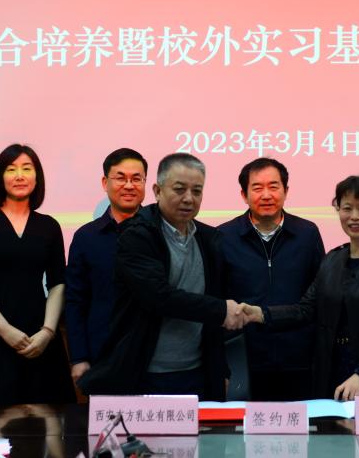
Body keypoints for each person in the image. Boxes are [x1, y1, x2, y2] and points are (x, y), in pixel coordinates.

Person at [79, 153, 248, 400]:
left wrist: (219, 369)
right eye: (179, 189)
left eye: (197, 191)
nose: (188, 198)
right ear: (157, 191)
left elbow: (214, 302)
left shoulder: (210, 239)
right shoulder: (136, 235)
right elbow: (159, 297)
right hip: (145, 373)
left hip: (197, 372)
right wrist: (222, 310)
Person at [243, 175, 359, 400]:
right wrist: (260, 314)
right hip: (333, 371)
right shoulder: (332, 260)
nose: (354, 216)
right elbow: (305, 310)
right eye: (347, 208)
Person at [0, 144, 75, 406]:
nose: (19, 175)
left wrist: (48, 331)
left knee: (46, 416)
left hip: (38, 333)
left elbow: (58, 283)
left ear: (37, 177)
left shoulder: (49, 226)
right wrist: (4, 330)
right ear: (0, 177)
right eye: (11, 169)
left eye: (27, 169)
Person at [217, 157, 324, 400]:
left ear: (286, 191)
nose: (266, 195)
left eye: (274, 187)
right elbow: (217, 299)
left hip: (299, 359)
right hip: (244, 359)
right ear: (244, 195)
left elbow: (320, 295)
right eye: (257, 188)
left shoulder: (307, 234)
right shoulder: (223, 236)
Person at [64, 148, 148, 388]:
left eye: (136, 179)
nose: (129, 185)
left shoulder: (161, 232)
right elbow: (75, 301)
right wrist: (78, 357)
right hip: (101, 356)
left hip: (154, 357)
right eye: (121, 178)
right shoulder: (86, 237)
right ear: (105, 182)